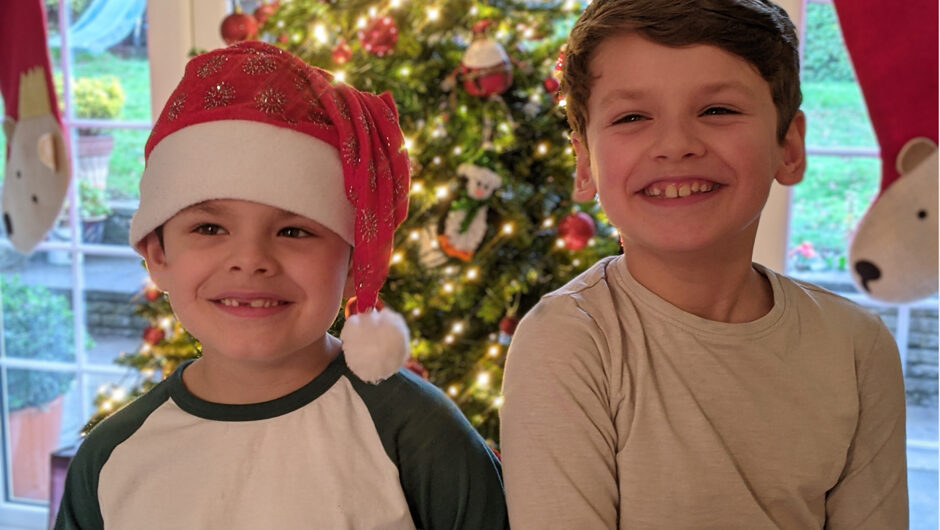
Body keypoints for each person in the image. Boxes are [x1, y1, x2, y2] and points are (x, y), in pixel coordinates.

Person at [56, 41, 507, 530]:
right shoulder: (111, 461)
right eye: (209, 229)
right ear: (158, 254)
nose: (250, 260)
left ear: (356, 261)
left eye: (295, 231)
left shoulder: (422, 439)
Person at [499, 1, 908, 528]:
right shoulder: (568, 343)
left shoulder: (859, 348)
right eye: (632, 117)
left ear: (788, 145)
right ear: (585, 163)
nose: (675, 145)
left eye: (717, 110)